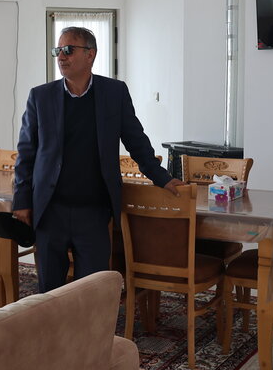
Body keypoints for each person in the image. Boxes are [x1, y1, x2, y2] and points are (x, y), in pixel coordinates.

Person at [12, 27, 185, 292]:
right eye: (58, 50)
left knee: (92, 291)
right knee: (49, 293)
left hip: (94, 210)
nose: (61, 56)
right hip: (50, 210)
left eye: (68, 50)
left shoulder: (114, 93)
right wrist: (22, 201)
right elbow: (26, 152)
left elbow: (136, 140)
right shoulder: (41, 96)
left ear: (90, 54)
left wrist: (162, 177)